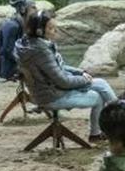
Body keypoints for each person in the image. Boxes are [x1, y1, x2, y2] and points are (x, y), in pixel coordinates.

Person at [14, 11, 117, 142]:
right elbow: (63, 82)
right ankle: (122, 118)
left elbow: (58, 68)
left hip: (48, 90)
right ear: (39, 31)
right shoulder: (41, 51)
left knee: (101, 84)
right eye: (51, 28)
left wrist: (80, 72)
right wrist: (84, 80)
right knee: (98, 96)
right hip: (52, 95)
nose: (55, 31)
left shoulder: (29, 44)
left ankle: (107, 125)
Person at [0, 0, 36, 82]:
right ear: (23, 9)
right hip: (7, 71)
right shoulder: (12, 26)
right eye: (33, 7)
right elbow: (7, 51)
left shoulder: (22, 24)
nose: (36, 10)